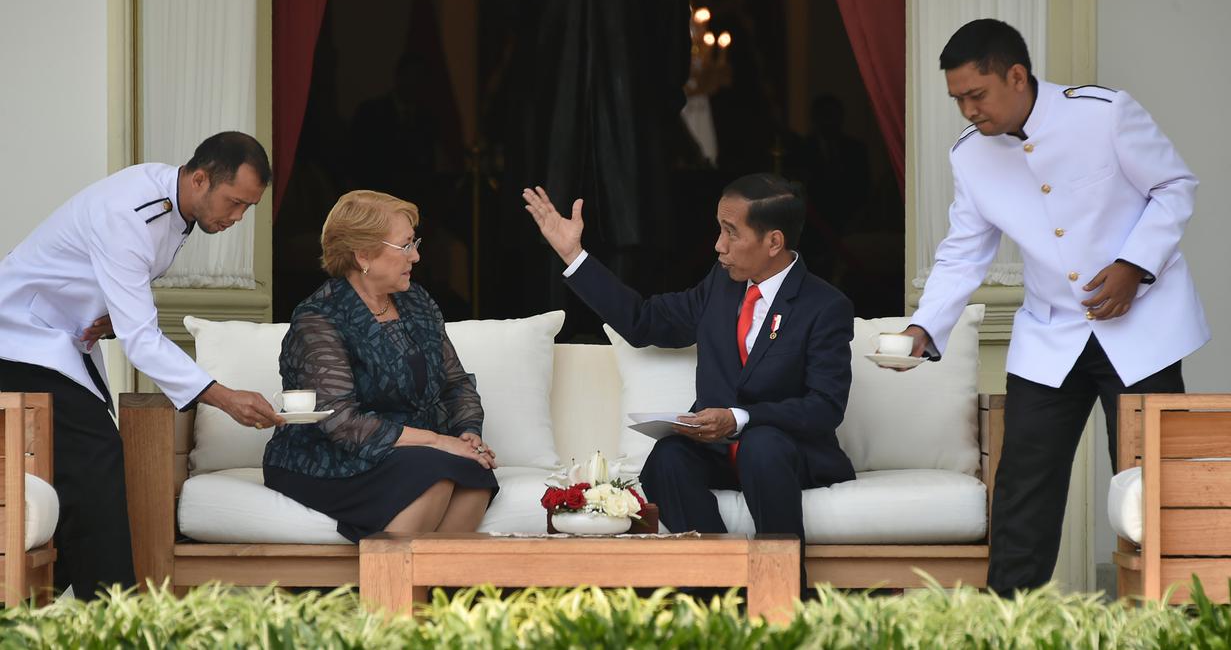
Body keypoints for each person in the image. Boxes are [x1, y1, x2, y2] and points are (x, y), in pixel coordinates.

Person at [899, 19, 1209, 595]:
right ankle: (1009, 625)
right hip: (1050, 339)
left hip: (1143, 332)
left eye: (976, 94)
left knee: (1154, 490)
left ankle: (1177, 619)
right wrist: (924, 326)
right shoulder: (969, 156)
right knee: (1023, 491)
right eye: (957, 99)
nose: (967, 110)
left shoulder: (1103, 113)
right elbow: (965, 250)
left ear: (1016, 75)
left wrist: (1133, 266)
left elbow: (1174, 186)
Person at [523, 174, 855, 587]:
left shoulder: (825, 306)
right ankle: (719, 588)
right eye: (719, 229)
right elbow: (644, 322)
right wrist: (574, 255)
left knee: (762, 446)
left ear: (773, 242)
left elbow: (825, 407)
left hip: (784, 453)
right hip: (718, 451)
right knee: (668, 457)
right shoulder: (721, 285)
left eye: (731, 233)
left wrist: (739, 418)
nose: (718, 245)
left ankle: (783, 594)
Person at [0, 131, 286, 597]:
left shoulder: (171, 202)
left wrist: (111, 318)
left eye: (247, 209)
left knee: (83, 467)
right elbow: (143, 340)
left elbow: (109, 288)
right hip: (18, 338)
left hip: (56, 339)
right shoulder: (131, 212)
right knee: (98, 458)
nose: (237, 218)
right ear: (200, 178)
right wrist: (223, 397)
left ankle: (64, 599)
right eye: (234, 203)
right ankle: (116, 612)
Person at [262, 190, 498, 542]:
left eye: (414, 243)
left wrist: (467, 434)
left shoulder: (416, 301)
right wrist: (437, 442)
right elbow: (340, 421)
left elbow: (455, 383)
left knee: (475, 476)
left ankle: (434, 593)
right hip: (325, 454)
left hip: (408, 451)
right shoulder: (319, 318)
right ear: (363, 255)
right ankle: (389, 593)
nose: (416, 256)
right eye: (405, 246)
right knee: (432, 475)